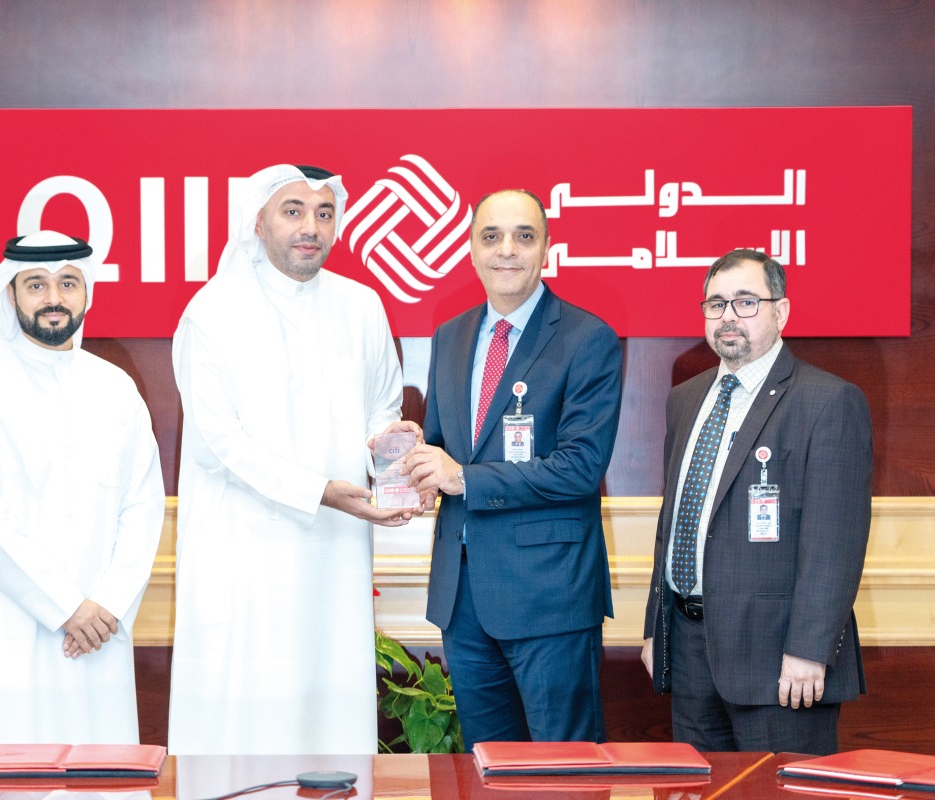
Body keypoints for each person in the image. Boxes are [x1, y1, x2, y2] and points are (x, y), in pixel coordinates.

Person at [168, 164, 416, 755]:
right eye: (293, 210)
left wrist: (398, 458)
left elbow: (381, 411)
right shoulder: (213, 311)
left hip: (334, 552)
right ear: (259, 220)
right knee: (245, 720)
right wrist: (319, 490)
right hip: (242, 558)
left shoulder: (362, 306)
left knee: (329, 715)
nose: (311, 227)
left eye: (324, 213)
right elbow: (216, 441)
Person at [397, 189, 622, 749]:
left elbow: (580, 466)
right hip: (463, 596)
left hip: (550, 596)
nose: (507, 250)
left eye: (525, 236)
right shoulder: (450, 335)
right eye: (491, 236)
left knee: (564, 773)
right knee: (489, 767)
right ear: (471, 250)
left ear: (547, 249)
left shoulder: (586, 338)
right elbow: (449, 449)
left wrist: (462, 478)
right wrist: (414, 458)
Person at [0, 230, 165, 745]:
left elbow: (143, 507)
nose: (54, 299)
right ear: (10, 295)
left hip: (99, 634)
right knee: (10, 771)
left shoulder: (116, 388)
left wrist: (108, 604)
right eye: (36, 285)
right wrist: (65, 608)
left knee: (99, 771)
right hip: (10, 628)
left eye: (68, 284)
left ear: (86, 293)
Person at [641, 248, 873, 755]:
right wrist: (655, 627)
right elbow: (675, 520)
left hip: (780, 662)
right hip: (688, 648)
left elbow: (835, 542)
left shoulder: (828, 401)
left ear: (781, 312)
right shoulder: (686, 398)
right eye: (716, 303)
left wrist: (810, 651)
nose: (728, 316)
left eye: (746, 302)